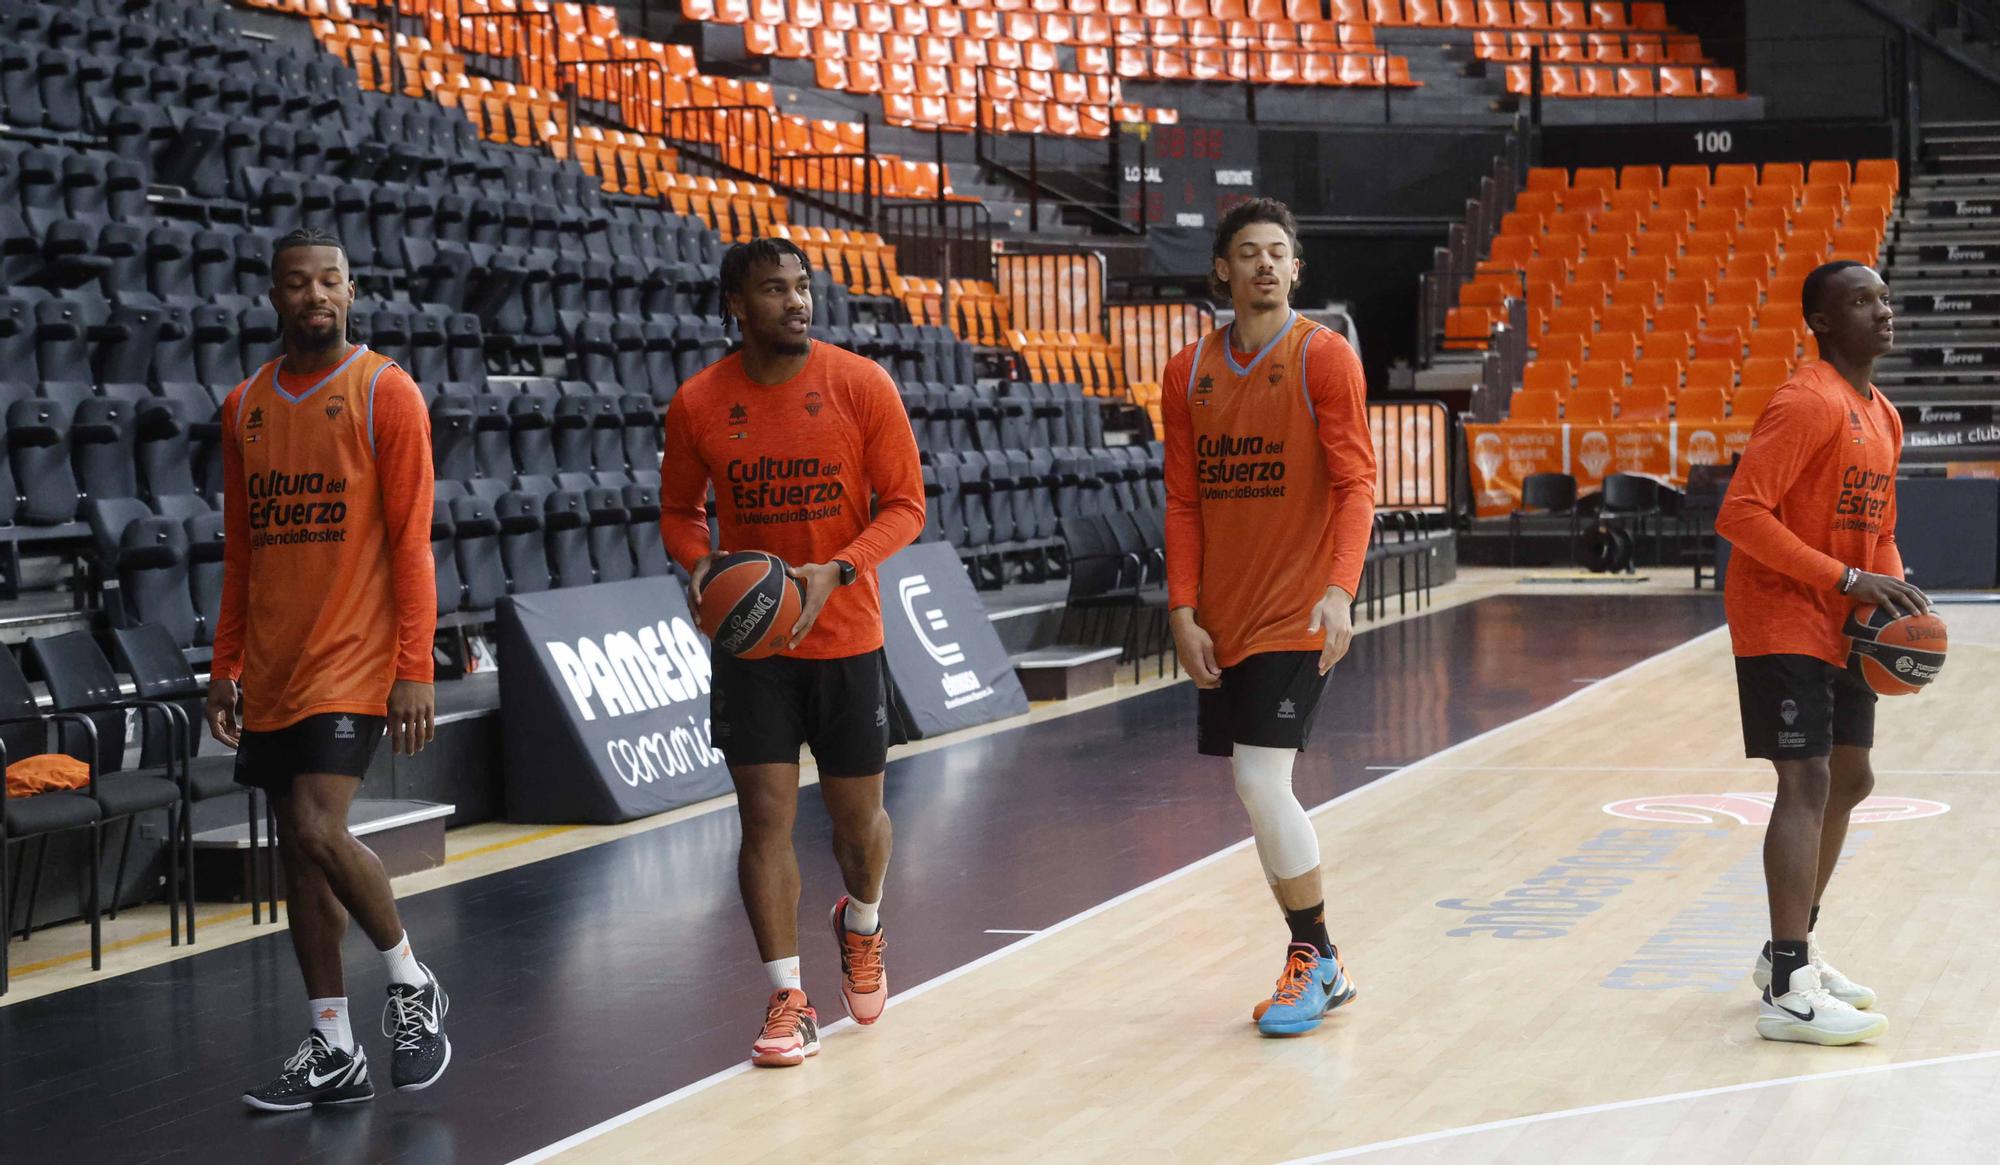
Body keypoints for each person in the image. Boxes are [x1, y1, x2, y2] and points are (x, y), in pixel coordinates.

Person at [659, 238, 924, 1068]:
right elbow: (678, 511)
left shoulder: (860, 384)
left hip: (847, 634)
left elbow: (907, 505)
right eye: (774, 289)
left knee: (858, 828)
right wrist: (701, 566)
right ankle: (786, 995)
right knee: (764, 818)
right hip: (754, 647)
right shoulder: (700, 402)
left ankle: (864, 922)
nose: (795, 302)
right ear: (736, 304)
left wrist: (838, 568)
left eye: (803, 287)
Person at [208, 228, 449, 1110]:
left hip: (355, 657)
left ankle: (411, 981)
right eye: (298, 283)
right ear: (274, 295)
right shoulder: (243, 406)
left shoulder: (387, 392)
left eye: (331, 281)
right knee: (299, 861)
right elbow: (241, 551)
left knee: (315, 825)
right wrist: (223, 661)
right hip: (272, 660)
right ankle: (333, 1045)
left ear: (352, 291)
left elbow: (412, 542)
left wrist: (415, 664)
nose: (316, 295)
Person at [1161, 198, 1377, 1037]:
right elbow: (1183, 500)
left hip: (1298, 606)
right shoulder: (1187, 371)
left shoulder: (1324, 359)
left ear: (1296, 270)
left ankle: (1314, 954)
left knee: (1260, 779)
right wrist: (1182, 607)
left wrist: (1340, 589)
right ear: (1222, 268)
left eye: (1277, 253)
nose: (1262, 265)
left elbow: (1358, 484)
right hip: (1225, 611)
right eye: (1246, 252)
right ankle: (1318, 958)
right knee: (1257, 793)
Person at [1715, 259, 1928, 1047]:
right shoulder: (1805, 401)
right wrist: (1847, 575)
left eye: (1884, 297)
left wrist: (1894, 598)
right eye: (1862, 301)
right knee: (1804, 778)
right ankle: (1788, 986)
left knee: (1852, 775)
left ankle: (1786, 945)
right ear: (1823, 322)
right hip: (1779, 612)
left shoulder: (1886, 415)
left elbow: (1884, 531)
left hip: (1840, 620)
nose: (1884, 310)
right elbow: (1741, 514)